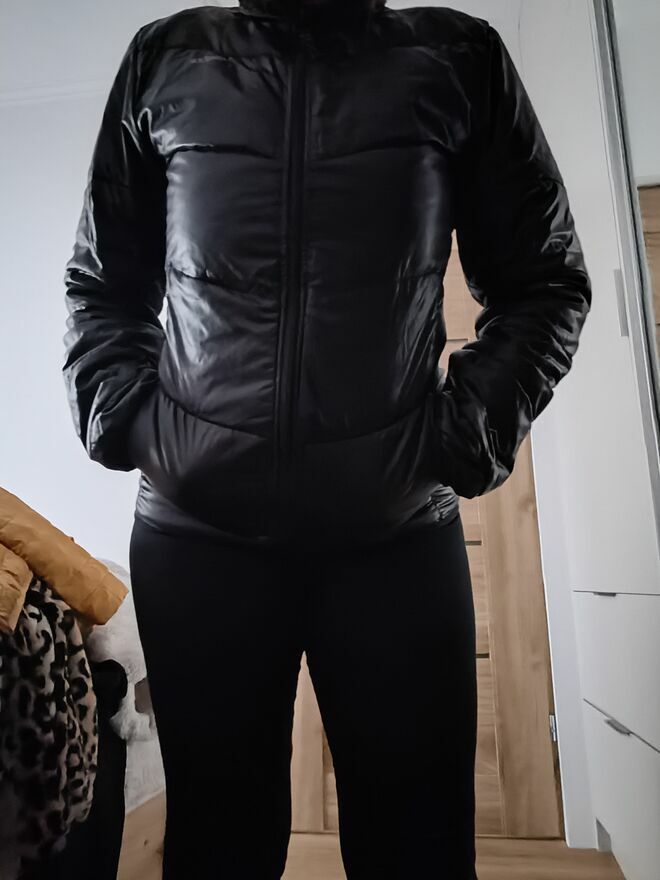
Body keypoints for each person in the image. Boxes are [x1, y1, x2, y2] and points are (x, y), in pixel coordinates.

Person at [61, 1, 592, 877]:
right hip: (197, 543)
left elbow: (546, 282)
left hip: (394, 541)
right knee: (216, 850)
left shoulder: (457, 57)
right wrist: (132, 422)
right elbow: (101, 287)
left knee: (419, 852)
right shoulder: (167, 57)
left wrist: (459, 439)